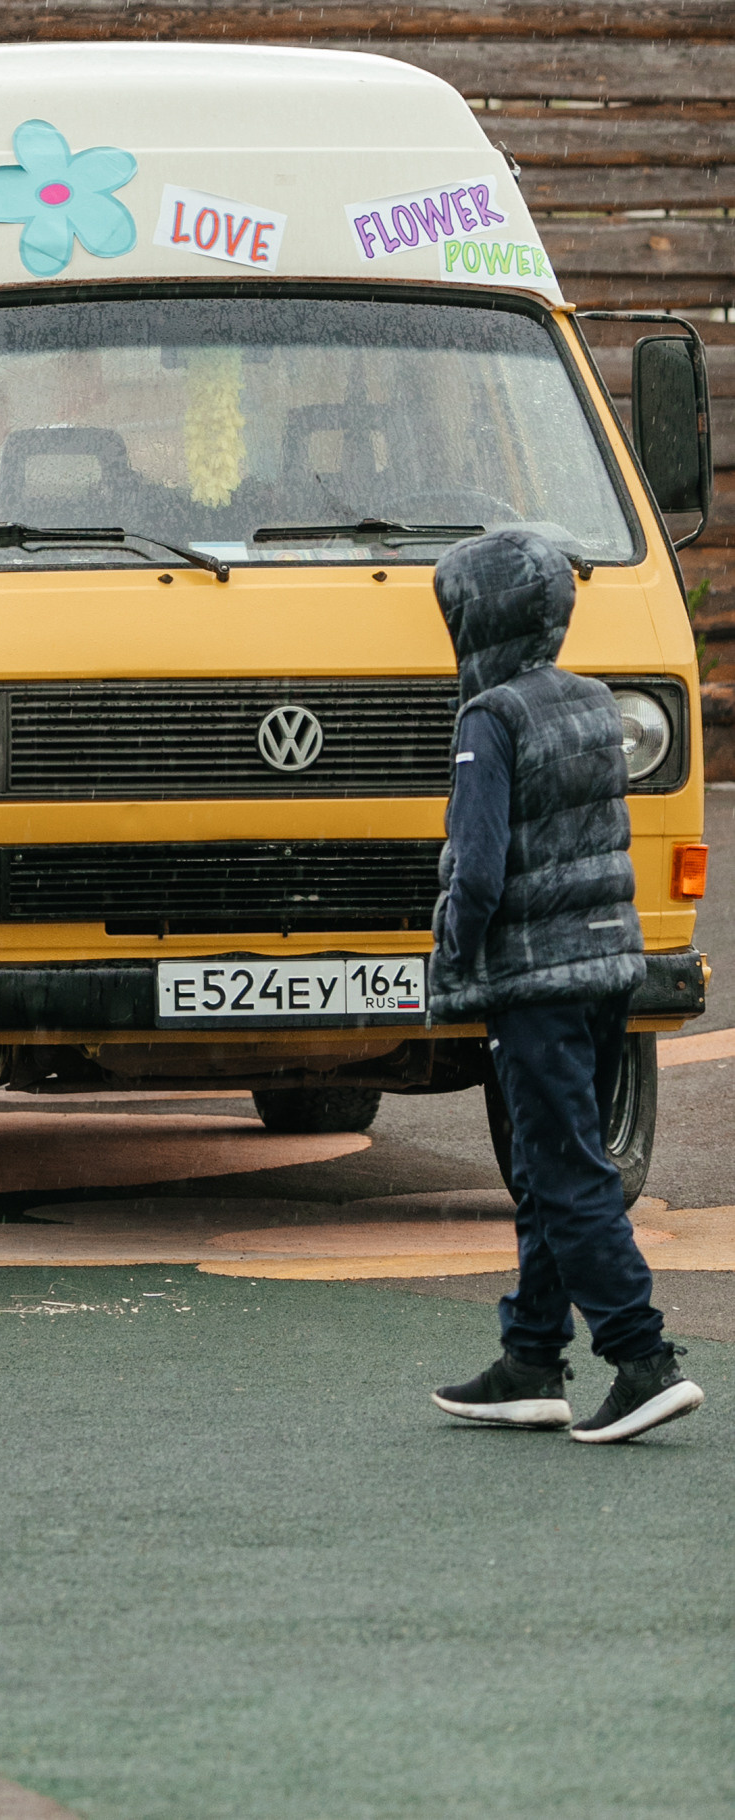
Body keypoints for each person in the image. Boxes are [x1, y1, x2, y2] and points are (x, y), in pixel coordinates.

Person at [428, 526, 705, 1445]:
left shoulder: (487, 720)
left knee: (565, 1170)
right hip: (607, 966)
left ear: (477, 621)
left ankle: (641, 1359)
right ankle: (530, 1360)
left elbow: (474, 867)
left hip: (534, 981)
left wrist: (452, 958)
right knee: (556, 1166)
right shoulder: (591, 702)